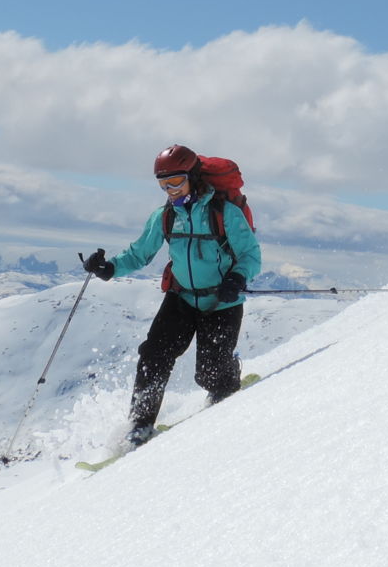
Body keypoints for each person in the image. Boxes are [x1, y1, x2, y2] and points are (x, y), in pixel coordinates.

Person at [82, 144, 262, 450]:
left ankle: (227, 374)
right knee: (154, 356)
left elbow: (251, 255)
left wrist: (237, 277)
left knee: (209, 376)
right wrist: (109, 267)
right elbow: (139, 254)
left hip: (222, 302)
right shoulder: (165, 216)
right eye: (163, 184)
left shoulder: (224, 213)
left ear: (193, 177)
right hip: (181, 299)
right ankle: (140, 426)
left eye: (176, 182)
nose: (170, 190)